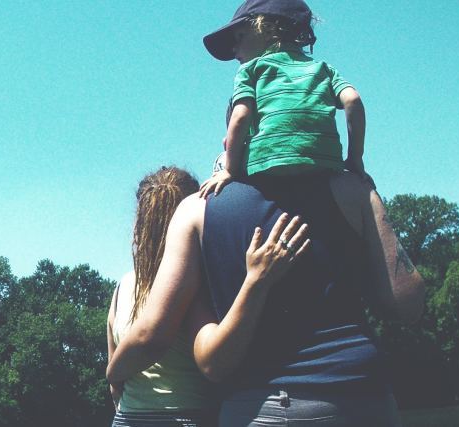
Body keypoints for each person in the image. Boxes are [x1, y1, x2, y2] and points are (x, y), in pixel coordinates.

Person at [108, 171, 425, 426]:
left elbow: (203, 359)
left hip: (266, 406)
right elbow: (408, 303)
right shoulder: (349, 188)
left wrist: (112, 373)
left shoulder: (194, 215)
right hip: (365, 393)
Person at [106, 166, 309, 427]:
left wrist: (112, 374)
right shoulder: (200, 281)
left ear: (140, 223)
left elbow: (116, 382)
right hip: (190, 415)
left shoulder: (123, 286)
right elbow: (155, 340)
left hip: (127, 417)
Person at [198, 0, 370, 198]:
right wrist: (355, 158)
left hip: (268, 161)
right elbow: (353, 100)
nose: (234, 48)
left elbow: (241, 116)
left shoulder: (250, 70)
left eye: (240, 37)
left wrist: (229, 170)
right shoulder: (324, 69)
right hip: (323, 163)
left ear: (268, 29)